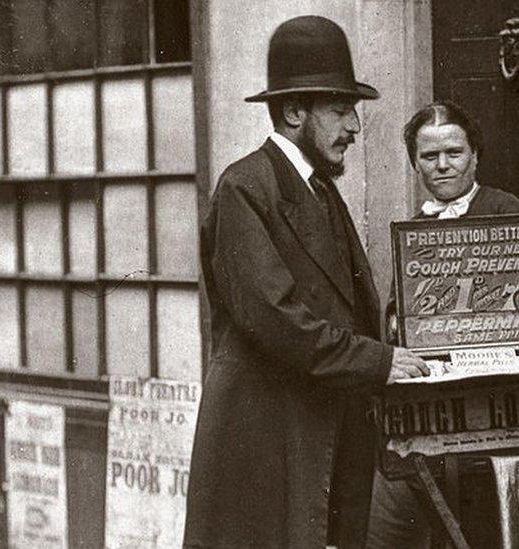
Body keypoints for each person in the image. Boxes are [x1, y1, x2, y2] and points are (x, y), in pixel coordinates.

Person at [183, 16, 429, 548]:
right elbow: (278, 319)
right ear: (295, 112)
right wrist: (378, 361)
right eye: (341, 111)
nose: (355, 128)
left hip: (318, 431)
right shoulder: (244, 188)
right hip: (266, 441)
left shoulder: (317, 188)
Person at [367, 101, 519, 548]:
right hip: (439, 404)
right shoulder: (414, 230)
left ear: (475, 155)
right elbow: (399, 312)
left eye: (453, 153)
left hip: (497, 402)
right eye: (429, 156)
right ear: (415, 162)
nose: (442, 166)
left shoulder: (506, 212)